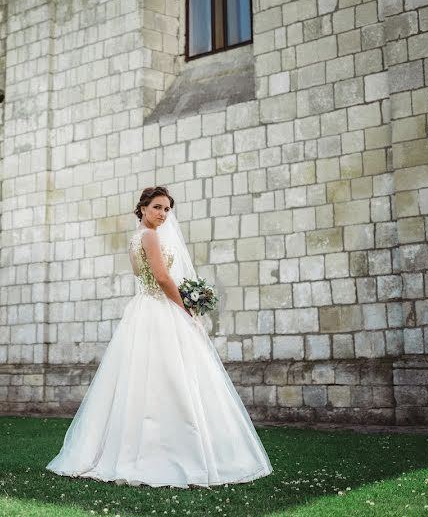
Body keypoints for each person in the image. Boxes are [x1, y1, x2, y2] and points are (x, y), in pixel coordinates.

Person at [46, 186, 272, 488]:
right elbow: (163, 278)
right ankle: (171, 451)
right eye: (157, 207)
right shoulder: (150, 236)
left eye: (167, 209)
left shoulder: (135, 237)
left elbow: (147, 277)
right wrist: (186, 310)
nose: (163, 214)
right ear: (142, 208)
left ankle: (135, 446)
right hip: (159, 310)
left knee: (144, 379)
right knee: (171, 377)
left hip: (142, 310)